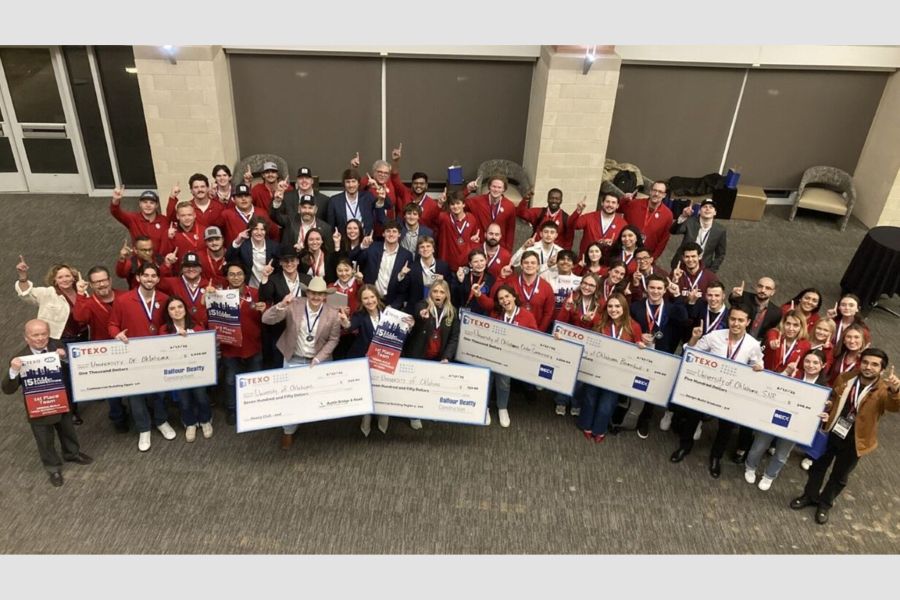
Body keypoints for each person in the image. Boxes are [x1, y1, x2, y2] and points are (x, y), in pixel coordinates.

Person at [790, 348, 900, 525]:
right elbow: (833, 398)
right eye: (865, 362)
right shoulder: (846, 378)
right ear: (860, 363)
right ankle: (809, 496)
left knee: (839, 475)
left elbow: (894, 407)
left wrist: (895, 390)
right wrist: (828, 406)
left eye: (874, 364)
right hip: (832, 431)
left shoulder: (884, 389)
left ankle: (825, 504)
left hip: (856, 439)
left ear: (882, 369)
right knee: (817, 466)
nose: (868, 367)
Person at [670, 302, 765, 479]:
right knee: (693, 417)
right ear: (728, 319)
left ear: (748, 322)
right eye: (733, 319)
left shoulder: (753, 345)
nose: (736, 323)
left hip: (731, 394)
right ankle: (684, 446)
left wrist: (759, 367)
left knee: (726, 428)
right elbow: (690, 352)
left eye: (741, 320)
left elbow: (758, 364)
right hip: (707, 388)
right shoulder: (714, 336)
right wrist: (693, 338)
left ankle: (716, 457)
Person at [2, 319, 92, 487]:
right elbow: (7, 389)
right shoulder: (18, 358)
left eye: (44, 334)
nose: (40, 338)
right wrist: (13, 371)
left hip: (61, 402)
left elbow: (78, 367)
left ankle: (72, 454)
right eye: (35, 335)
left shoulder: (57, 345)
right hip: (38, 408)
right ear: (26, 337)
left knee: (68, 431)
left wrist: (65, 358)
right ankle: (53, 468)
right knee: (44, 440)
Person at [262, 277, 341, 450]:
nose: (316, 297)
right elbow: (266, 319)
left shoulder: (333, 313)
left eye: (320, 294)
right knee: (290, 398)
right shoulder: (294, 305)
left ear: (325, 296)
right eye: (313, 293)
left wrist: (319, 359)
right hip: (294, 358)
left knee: (316, 397)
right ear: (308, 293)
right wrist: (281, 304)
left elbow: (333, 339)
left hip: (317, 361)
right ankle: (288, 430)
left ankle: (312, 423)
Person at [107, 263, 177, 452]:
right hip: (133, 355)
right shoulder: (123, 300)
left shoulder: (164, 299)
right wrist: (116, 334)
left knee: (160, 392)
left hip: (158, 354)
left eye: (153, 276)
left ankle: (161, 421)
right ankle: (144, 428)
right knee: (135, 395)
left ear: (158, 279)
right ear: (138, 277)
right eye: (145, 275)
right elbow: (112, 324)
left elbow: (170, 324)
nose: (149, 279)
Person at [15, 257, 89, 423]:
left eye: (68, 276)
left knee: (81, 373)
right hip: (60, 341)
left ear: (74, 277)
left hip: (82, 338)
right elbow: (26, 294)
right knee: (66, 377)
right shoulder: (48, 293)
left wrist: (82, 294)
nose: (65, 279)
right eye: (60, 277)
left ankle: (85, 395)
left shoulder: (81, 291)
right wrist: (23, 277)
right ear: (54, 280)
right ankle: (71, 411)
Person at [744, 349, 829, 491]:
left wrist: (825, 414)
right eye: (807, 361)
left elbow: (822, 410)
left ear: (823, 365)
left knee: (781, 454)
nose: (810, 365)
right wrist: (786, 373)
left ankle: (769, 476)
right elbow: (774, 385)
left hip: (796, 425)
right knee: (759, 446)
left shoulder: (824, 388)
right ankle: (750, 467)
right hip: (775, 416)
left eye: (815, 363)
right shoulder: (794, 374)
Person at [576, 293, 644, 443]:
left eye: (617, 306)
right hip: (596, 368)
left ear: (624, 307)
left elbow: (637, 351)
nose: (613, 310)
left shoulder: (634, 327)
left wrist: (640, 347)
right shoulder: (600, 321)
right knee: (590, 398)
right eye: (610, 306)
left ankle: (599, 429)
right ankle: (585, 425)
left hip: (616, 374)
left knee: (607, 404)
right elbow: (584, 336)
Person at [629, 274, 690, 439]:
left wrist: (677, 295)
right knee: (633, 379)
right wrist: (639, 335)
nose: (655, 291)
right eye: (652, 288)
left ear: (664, 290)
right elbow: (628, 326)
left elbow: (684, 317)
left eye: (659, 288)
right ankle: (629, 414)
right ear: (646, 288)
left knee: (653, 386)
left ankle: (645, 418)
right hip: (639, 350)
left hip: (662, 352)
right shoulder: (636, 306)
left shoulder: (671, 308)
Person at [72, 265, 129, 433]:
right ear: (91, 285)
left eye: (104, 280)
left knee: (134, 383)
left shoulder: (125, 296)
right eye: (97, 282)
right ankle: (118, 417)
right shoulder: (89, 303)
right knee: (111, 389)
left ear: (110, 280)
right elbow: (79, 317)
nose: (102, 284)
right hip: (104, 352)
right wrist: (80, 294)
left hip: (128, 347)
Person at [210, 262, 265, 426]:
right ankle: (232, 409)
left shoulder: (255, 293)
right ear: (227, 277)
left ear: (245, 276)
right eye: (232, 274)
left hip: (253, 345)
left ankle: (254, 408)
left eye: (239, 274)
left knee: (255, 379)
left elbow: (266, 316)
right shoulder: (218, 295)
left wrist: (264, 309)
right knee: (230, 381)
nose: (236, 277)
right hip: (230, 348)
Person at [402, 280, 460, 431]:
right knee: (416, 386)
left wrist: (447, 356)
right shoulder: (423, 305)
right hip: (419, 353)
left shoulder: (452, 312)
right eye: (435, 291)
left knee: (433, 387)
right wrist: (422, 315)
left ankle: (430, 409)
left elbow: (454, 337)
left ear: (446, 294)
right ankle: (414, 414)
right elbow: (418, 313)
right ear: (430, 293)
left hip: (438, 356)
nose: (438, 295)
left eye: (442, 292)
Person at [159, 296, 213, 442]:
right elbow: (162, 352)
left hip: (197, 371)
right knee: (184, 401)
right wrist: (175, 339)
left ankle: (205, 420)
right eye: (172, 308)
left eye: (180, 307)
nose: (177, 311)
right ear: (168, 312)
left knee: (201, 397)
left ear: (185, 309)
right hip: (177, 373)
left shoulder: (197, 327)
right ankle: (189, 423)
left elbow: (206, 349)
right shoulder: (164, 330)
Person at [339, 285, 389, 435]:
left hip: (384, 359)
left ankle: (383, 418)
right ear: (361, 301)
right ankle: (366, 418)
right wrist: (345, 322)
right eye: (365, 298)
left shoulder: (388, 312)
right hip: (364, 358)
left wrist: (409, 325)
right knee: (367, 390)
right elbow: (350, 326)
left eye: (372, 297)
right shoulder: (359, 315)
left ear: (377, 297)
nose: (370, 301)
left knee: (383, 390)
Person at [488, 285, 538, 428]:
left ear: (514, 297)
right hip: (493, 354)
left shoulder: (527, 316)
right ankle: (485, 407)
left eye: (507, 296)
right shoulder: (496, 315)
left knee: (504, 382)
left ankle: (502, 408)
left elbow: (534, 338)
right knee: (488, 379)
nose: (504, 300)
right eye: (501, 299)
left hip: (511, 359)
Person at [553, 273, 603, 416]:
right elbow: (561, 322)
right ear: (580, 284)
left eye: (591, 285)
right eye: (585, 283)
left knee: (581, 377)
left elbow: (601, 326)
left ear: (597, 288)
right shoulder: (572, 297)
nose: (587, 287)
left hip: (588, 346)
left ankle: (576, 402)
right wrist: (566, 309)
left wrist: (592, 320)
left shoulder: (601, 303)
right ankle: (561, 401)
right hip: (570, 343)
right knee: (566, 373)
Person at [258, 249, 309, 370]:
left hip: (303, 332)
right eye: (285, 261)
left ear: (298, 261)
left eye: (292, 260)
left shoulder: (307, 279)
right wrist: (265, 277)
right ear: (280, 263)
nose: (289, 264)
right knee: (279, 366)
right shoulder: (274, 279)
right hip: (281, 331)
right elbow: (264, 297)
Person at [349, 220, 413, 310]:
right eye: (388, 231)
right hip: (370, 299)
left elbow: (405, 287)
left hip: (391, 303)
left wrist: (394, 306)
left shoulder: (406, 255)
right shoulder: (372, 247)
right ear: (383, 234)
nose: (391, 234)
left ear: (399, 234)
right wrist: (363, 245)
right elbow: (352, 258)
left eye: (394, 231)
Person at [492, 251, 555, 332]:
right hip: (512, 329)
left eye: (533, 263)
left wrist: (539, 333)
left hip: (535, 331)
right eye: (526, 263)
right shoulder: (511, 283)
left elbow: (548, 313)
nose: (529, 265)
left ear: (538, 266)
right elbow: (496, 299)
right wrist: (501, 277)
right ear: (521, 266)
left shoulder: (547, 287)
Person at [619, 180, 673, 260]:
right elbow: (617, 209)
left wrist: (653, 258)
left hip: (645, 257)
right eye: (654, 190)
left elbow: (663, 240)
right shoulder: (634, 204)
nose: (656, 194)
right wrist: (624, 199)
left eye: (660, 192)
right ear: (650, 191)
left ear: (664, 195)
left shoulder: (668, 215)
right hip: (624, 251)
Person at [670, 198, 727, 272]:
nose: (707, 209)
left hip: (703, 268)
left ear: (715, 212)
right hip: (681, 265)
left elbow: (720, 254)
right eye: (705, 207)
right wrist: (683, 216)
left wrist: (712, 271)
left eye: (711, 207)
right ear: (699, 211)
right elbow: (673, 231)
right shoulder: (690, 222)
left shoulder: (720, 230)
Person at [464, 174, 517, 252]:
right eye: (494, 186)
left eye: (499, 187)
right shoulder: (477, 202)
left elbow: (510, 231)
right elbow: (456, 204)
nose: (496, 190)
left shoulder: (509, 206)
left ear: (504, 189)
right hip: (479, 247)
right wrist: (467, 190)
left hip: (498, 248)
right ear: (489, 187)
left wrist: (508, 252)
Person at [325, 168, 385, 236]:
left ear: (358, 183)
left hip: (365, 239)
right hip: (344, 240)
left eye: (353, 181)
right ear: (344, 184)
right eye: (348, 182)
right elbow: (330, 227)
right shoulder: (334, 201)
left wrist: (378, 189)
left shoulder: (367, 197)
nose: (351, 185)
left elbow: (382, 216)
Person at [157, 251, 210, 329]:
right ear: (182, 268)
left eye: (195, 266)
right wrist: (166, 265)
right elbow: (156, 281)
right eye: (187, 266)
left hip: (203, 331)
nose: (191, 269)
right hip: (179, 330)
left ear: (201, 269)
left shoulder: (208, 286)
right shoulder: (172, 283)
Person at [225, 216, 281, 288]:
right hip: (250, 287)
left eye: (262, 229)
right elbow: (229, 258)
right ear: (250, 230)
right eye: (255, 229)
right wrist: (237, 241)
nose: (259, 233)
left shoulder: (274, 246)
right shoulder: (243, 245)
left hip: (269, 286)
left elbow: (279, 268)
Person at [109, 188, 169, 254]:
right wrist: (116, 200)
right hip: (139, 259)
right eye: (145, 202)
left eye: (151, 203)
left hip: (160, 259)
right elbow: (116, 212)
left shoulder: (164, 220)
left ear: (157, 205)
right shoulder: (132, 219)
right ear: (140, 204)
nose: (148, 205)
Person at [570, 192, 628, 259]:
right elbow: (572, 225)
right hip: (587, 259)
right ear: (602, 203)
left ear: (617, 206)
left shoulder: (623, 224)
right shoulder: (589, 217)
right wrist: (578, 211)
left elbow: (624, 244)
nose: (610, 205)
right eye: (607, 202)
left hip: (607, 262)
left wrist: (614, 244)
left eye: (613, 203)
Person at [435, 190, 481, 272]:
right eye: (452, 204)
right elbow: (433, 216)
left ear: (463, 204)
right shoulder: (444, 218)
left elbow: (474, 239)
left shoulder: (471, 218)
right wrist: (440, 204)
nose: (455, 206)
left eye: (458, 203)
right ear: (449, 206)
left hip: (465, 265)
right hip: (446, 264)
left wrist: (474, 241)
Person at [406, 235, 450, 308]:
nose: (425, 249)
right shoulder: (412, 268)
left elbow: (450, 289)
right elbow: (405, 291)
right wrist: (402, 275)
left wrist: (443, 281)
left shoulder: (443, 266)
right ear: (418, 251)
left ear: (433, 249)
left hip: (438, 307)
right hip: (417, 307)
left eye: (428, 246)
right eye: (422, 247)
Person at [762, 310, 812, 375]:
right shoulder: (775, 335)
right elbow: (771, 334)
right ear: (783, 323)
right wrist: (772, 342)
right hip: (764, 374)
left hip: (786, 379)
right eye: (788, 323)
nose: (791, 328)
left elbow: (801, 369)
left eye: (795, 325)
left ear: (801, 327)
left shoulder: (806, 345)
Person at [451, 249, 495, 315]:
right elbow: (454, 298)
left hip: (480, 316)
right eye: (475, 262)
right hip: (461, 313)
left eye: (482, 260)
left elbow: (491, 302)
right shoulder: (463, 275)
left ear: (486, 261)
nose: (479, 264)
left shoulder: (490, 279)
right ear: (470, 264)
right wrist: (460, 282)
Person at [162, 202, 205, 267]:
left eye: (189, 215)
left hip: (200, 269)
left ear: (194, 215)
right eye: (183, 215)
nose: (187, 218)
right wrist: (168, 239)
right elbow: (163, 256)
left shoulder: (204, 230)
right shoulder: (170, 233)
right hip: (179, 270)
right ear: (177, 216)